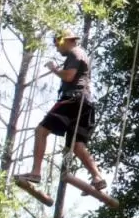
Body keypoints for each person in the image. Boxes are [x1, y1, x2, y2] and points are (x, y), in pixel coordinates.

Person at [15, 32, 106, 191]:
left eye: (57, 44)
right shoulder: (81, 54)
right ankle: (97, 177)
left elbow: (69, 76)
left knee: (41, 131)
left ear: (66, 40)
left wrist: (54, 69)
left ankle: (36, 172)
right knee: (77, 145)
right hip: (86, 102)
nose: (57, 48)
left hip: (73, 99)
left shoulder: (74, 52)